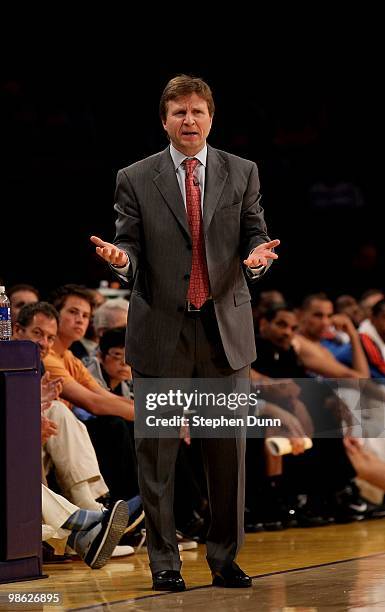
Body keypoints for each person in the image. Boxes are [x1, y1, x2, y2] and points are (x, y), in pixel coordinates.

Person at [91, 74, 279, 591]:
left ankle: (224, 558)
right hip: (161, 333)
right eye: (179, 113)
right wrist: (119, 258)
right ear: (165, 120)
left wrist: (258, 259)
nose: (189, 120)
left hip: (224, 332)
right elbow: (128, 247)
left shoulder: (242, 172)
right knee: (157, 457)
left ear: (211, 117)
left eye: (197, 112)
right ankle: (165, 563)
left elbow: (255, 233)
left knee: (226, 455)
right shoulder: (135, 177)